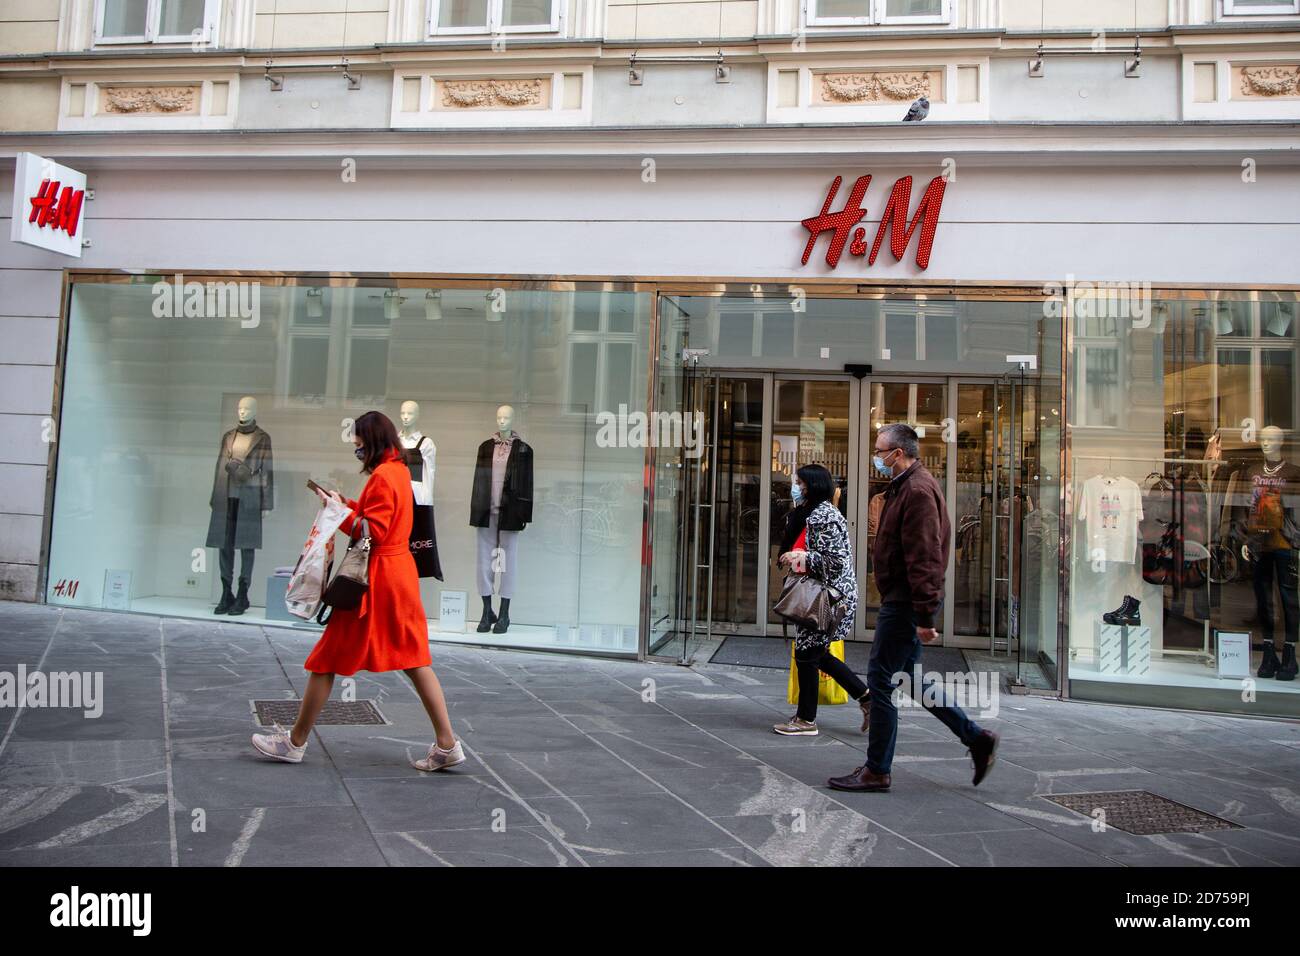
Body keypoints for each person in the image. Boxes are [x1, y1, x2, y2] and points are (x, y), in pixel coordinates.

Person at [251, 410, 464, 772]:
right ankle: (446, 744)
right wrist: (345, 504)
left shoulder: (383, 477)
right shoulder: (399, 471)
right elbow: (383, 521)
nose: (358, 454)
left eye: (359, 448)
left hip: (374, 584)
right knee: (415, 659)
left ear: (373, 444)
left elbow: (373, 533)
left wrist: (337, 515)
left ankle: (294, 743)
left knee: (326, 660)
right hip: (399, 579)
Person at [828, 423, 998, 793]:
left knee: (881, 682)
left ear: (898, 454)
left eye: (880, 451)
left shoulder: (917, 491)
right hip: (902, 600)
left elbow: (924, 557)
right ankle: (975, 738)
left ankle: (877, 770)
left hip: (904, 604)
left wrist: (925, 614)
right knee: (909, 679)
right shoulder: (905, 487)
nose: (877, 458)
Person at [772, 463, 869, 736]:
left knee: (807, 654)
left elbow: (836, 561)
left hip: (829, 597)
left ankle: (806, 720)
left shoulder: (824, 515)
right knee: (815, 654)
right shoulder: (807, 513)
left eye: (799, 483)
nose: (795, 487)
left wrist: (801, 557)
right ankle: (866, 698)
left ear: (812, 485)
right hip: (816, 594)